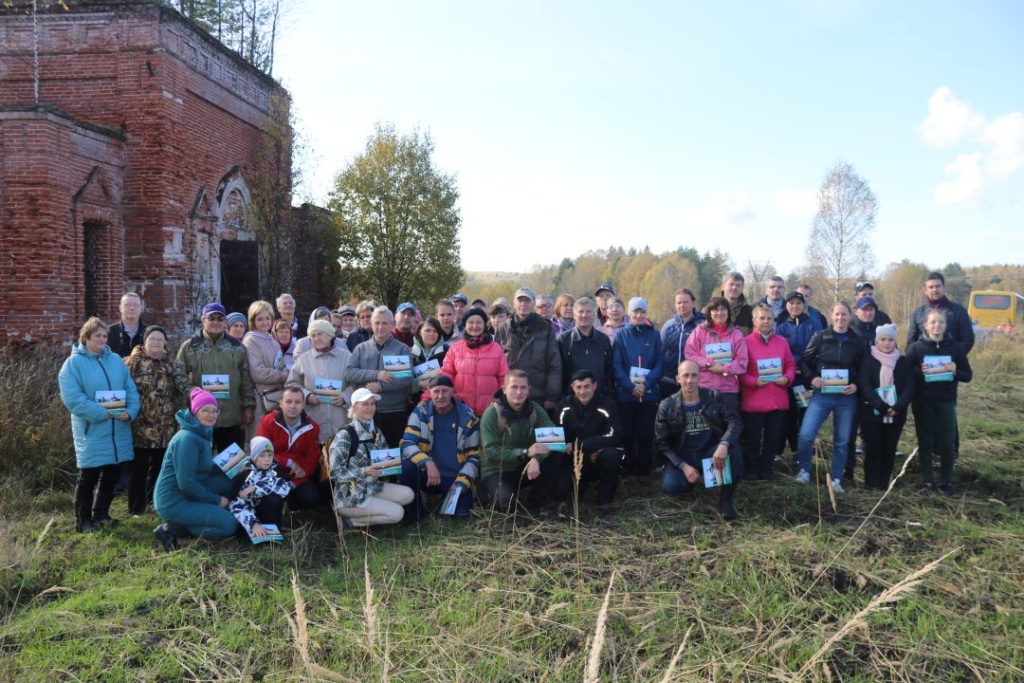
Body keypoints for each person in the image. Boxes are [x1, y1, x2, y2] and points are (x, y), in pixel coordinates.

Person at [59, 317, 141, 532]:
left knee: (112, 473)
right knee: (88, 476)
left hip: (117, 428)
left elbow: (130, 389)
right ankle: (83, 520)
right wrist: (100, 413)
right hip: (92, 429)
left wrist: (131, 411)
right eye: (98, 336)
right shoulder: (73, 364)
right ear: (86, 337)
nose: (103, 339)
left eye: (105, 336)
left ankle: (101, 514)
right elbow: (72, 398)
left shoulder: (115, 360)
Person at [153, 388, 240, 549]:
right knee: (229, 524)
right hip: (174, 501)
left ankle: (206, 514)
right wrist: (217, 500)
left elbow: (201, 466)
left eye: (214, 410)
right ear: (194, 411)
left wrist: (237, 465)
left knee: (231, 482)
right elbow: (186, 483)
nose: (211, 415)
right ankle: (173, 529)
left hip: (191, 489)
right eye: (205, 410)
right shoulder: (187, 438)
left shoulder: (203, 432)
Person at [655, 360, 743, 520]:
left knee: (733, 447)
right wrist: (683, 466)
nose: (689, 380)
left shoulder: (714, 397)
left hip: (711, 456)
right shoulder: (666, 405)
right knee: (670, 487)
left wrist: (723, 444)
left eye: (694, 375)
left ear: (700, 377)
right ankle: (692, 484)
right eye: (685, 375)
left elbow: (734, 422)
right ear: (678, 378)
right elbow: (662, 444)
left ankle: (725, 500)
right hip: (683, 458)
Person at [795, 301, 866, 494]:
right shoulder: (820, 337)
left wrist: (857, 384)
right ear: (831, 315)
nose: (840, 318)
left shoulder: (857, 340)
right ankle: (804, 471)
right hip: (822, 395)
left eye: (844, 314)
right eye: (837, 314)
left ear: (850, 316)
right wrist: (812, 378)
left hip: (846, 398)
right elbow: (805, 361)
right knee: (806, 435)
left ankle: (836, 479)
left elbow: (864, 367)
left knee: (842, 441)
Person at [173, 302, 255, 453]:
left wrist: (248, 405)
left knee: (232, 463)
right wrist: (194, 393)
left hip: (232, 416)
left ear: (225, 322)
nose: (216, 322)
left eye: (220, 319)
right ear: (203, 320)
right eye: (212, 318)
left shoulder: (237, 347)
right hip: (201, 418)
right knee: (201, 461)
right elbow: (179, 374)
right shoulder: (190, 346)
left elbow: (246, 378)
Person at [906, 310, 972, 495]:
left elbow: (967, 375)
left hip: (946, 401)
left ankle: (946, 482)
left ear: (946, 325)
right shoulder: (916, 348)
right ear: (926, 325)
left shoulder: (955, 348)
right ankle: (928, 481)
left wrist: (955, 370)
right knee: (925, 442)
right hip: (922, 401)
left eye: (941, 322)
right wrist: (919, 371)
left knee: (948, 444)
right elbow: (905, 374)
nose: (937, 325)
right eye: (933, 322)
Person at [328, 388, 415, 528]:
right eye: (365, 404)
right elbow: (335, 473)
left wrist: (392, 463)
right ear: (354, 407)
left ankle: (373, 511)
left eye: (372, 404)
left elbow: (385, 460)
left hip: (372, 486)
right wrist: (364, 471)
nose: (370, 408)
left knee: (408, 495)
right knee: (397, 513)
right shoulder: (345, 434)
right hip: (351, 494)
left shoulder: (376, 431)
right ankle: (348, 523)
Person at [400, 376, 482, 522]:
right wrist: (427, 462)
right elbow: (407, 443)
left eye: (445, 391)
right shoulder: (420, 412)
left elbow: (474, 457)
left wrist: (462, 482)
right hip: (428, 474)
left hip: (454, 478)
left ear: (452, 392)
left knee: (461, 517)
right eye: (436, 391)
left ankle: (448, 500)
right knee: (406, 467)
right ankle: (416, 512)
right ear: (430, 393)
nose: (440, 396)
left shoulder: (468, 417)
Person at [479, 370, 559, 513]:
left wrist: (536, 459)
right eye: (514, 387)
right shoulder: (492, 414)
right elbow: (491, 452)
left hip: (523, 467)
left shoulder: (535, 410)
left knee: (556, 456)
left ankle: (536, 503)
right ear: (504, 389)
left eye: (523, 388)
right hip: (497, 470)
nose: (518, 392)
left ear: (529, 390)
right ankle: (488, 493)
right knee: (507, 504)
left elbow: (554, 440)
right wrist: (525, 452)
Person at [124, 325, 180, 516]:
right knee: (137, 468)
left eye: (160, 339)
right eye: (152, 338)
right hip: (140, 425)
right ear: (145, 341)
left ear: (165, 343)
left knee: (160, 467)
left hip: (165, 427)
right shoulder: (131, 363)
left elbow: (178, 389)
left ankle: (154, 502)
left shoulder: (171, 364)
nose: (156, 342)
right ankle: (136, 508)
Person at [555, 370, 624, 515]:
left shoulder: (608, 404)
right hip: (573, 459)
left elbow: (614, 435)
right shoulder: (564, 406)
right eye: (578, 387)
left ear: (595, 386)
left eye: (587, 386)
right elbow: (556, 435)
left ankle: (605, 500)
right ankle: (574, 495)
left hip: (598, 457)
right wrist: (571, 449)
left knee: (613, 455)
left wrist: (582, 445)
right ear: (572, 387)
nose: (583, 391)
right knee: (560, 489)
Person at [739, 304, 795, 480]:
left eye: (769, 318)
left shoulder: (782, 342)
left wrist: (787, 378)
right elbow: (740, 370)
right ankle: (752, 469)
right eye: (762, 318)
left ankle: (767, 468)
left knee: (773, 439)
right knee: (753, 439)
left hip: (776, 399)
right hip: (754, 399)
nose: (766, 321)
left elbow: (790, 365)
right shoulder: (745, 342)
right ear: (754, 321)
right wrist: (753, 381)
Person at [345, 306, 414, 447]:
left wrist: (381, 387)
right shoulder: (361, 348)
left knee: (391, 456)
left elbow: (407, 379)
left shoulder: (401, 349)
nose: (380, 327)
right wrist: (376, 374)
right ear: (371, 324)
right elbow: (350, 373)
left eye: (384, 323)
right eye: (377, 323)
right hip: (365, 413)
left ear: (392, 325)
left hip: (394, 413)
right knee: (366, 454)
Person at [612, 296, 664, 477]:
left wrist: (647, 384)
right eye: (635, 311)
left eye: (642, 311)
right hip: (626, 394)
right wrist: (630, 386)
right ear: (630, 313)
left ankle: (644, 468)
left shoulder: (654, 335)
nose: (639, 315)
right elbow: (617, 365)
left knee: (645, 433)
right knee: (627, 432)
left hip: (649, 393)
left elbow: (659, 364)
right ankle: (628, 465)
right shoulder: (621, 335)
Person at [288, 319, 353, 462]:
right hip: (314, 420)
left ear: (330, 335)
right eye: (313, 335)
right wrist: (306, 396)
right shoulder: (303, 360)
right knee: (316, 464)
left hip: (341, 419)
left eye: (320, 334)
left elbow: (357, 383)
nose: (316, 338)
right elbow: (291, 384)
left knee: (340, 461)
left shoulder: (347, 357)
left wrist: (345, 396)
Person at [859, 324, 914, 490]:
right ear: (876, 341)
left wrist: (898, 407)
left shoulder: (903, 362)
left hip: (896, 414)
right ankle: (870, 483)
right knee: (873, 448)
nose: (887, 343)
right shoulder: (868, 360)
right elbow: (865, 386)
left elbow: (909, 387)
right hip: (872, 412)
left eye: (890, 339)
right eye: (883, 339)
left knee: (889, 449)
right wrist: (881, 406)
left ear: (895, 342)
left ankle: (884, 484)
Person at [256, 384, 325, 511]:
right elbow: (260, 452)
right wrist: (289, 462)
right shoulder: (267, 422)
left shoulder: (313, 427)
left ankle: (291, 506)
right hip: (273, 469)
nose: (293, 406)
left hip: (297, 475)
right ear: (280, 403)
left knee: (311, 497)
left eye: (297, 402)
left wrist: (294, 483)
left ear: (303, 405)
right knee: (271, 497)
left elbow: (312, 459)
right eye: (288, 401)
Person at [494, 288, 562, 412]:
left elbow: (554, 364)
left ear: (534, 303)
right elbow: (495, 364)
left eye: (527, 300)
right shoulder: (502, 329)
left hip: (537, 395)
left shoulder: (545, 328)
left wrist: (552, 395)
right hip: (509, 396)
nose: (523, 304)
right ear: (514, 303)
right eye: (520, 300)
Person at [775, 291, 823, 458]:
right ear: (786, 305)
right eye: (791, 303)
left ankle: (803, 451)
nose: (795, 306)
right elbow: (779, 351)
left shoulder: (814, 324)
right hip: (788, 378)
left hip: (806, 379)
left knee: (804, 414)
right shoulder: (781, 327)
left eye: (798, 303)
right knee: (788, 414)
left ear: (804, 305)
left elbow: (819, 349)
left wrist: (808, 370)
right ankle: (786, 450)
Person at [441, 307, 509, 418]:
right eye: (471, 322)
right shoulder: (455, 348)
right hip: (461, 408)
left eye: (479, 322)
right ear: (465, 325)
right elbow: (446, 375)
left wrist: (503, 401)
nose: (475, 326)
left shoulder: (496, 348)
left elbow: (504, 378)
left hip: (490, 410)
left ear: (484, 324)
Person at [684, 296, 749, 407]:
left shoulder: (737, 334)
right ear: (709, 312)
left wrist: (724, 369)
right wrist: (710, 363)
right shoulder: (699, 331)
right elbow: (689, 354)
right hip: (703, 387)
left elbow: (742, 362)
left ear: (728, 312)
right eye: (715, 309)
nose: (719, 313)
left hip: (728, 390)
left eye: (723, 309)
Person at [229, 436, 294, 541]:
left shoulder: (275, 469)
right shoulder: (244, 474)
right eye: (262, 456)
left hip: (268, 513)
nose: (267, 459)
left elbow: (284, 487)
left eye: (270, 455)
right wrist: (253, 523)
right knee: (251, 540)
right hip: (249, 517)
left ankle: (273, 534)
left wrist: (255, 488)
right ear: (254, 457)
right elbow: (236, 504)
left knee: (274, 498)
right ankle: (254, 534)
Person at [242, 300, 290, 441]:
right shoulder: (251, 341)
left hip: (276, 397)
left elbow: (280, 365)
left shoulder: (272, 340)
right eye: (260, 319)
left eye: (267, 318)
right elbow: (258, 373)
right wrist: (284, 376)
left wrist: (284, 373)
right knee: (259, 439)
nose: (264, 322)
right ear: (253, 321)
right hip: (260, 399)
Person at [907, 271, 975, 354]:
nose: (935, 290)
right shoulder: (917, 314)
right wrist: (918, 358)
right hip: (923, 360)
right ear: (925, 290)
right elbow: (911, 341)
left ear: (944, 288)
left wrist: (955, 356)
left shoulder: (959, 311)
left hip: (952, 361)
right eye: (931, 287)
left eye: (938, 286)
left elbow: (968, 339)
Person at [558, 297, 614, 397]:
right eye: (581, 312)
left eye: (588, 311)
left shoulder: (603, 340)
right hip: (572, 398)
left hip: (600, 396)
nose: (584, 315)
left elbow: (609, 370)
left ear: (594, 315)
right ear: (574, 315)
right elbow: (559, 372)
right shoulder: (563, 340)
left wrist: (609, 395)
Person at [659, 288, 706, 395]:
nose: (682, 305)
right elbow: (660, 351)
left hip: (693, 382)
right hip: (669, 381)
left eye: (685, 302)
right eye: (679, 303)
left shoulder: (702, 326)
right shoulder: (668, 326)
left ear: (693, 303)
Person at [410, 316, 449, 405]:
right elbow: (403, 382)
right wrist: (419, 384)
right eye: (428, 330)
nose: (432, 334)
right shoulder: (409, 353)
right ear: (420, 332)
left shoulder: (448, 352)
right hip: (414, 404)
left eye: (435, 331)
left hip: (441, 403)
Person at [107, 292, 148, 358]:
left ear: (140, 308)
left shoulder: (148, 332)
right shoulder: (109, 332)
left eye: (135, 305)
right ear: (120, 308)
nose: (132, 308)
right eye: (127, 305)